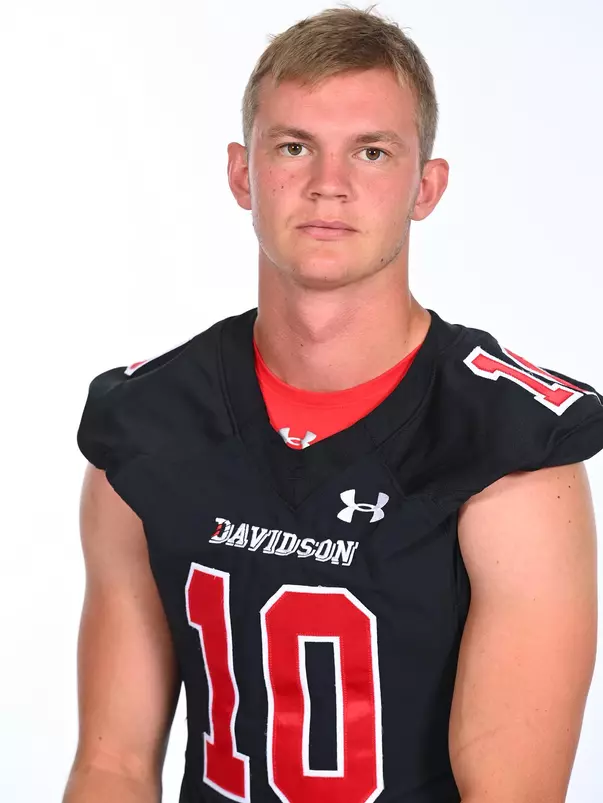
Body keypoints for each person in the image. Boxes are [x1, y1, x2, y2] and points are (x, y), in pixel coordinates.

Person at [63, 5, 603, 803]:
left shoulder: (507, 447)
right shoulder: (147, 428)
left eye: (372, 152)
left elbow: (510, 793)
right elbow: (111, 766)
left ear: (426, 187)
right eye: (293, 147)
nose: (328, 185)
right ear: (243, 173)